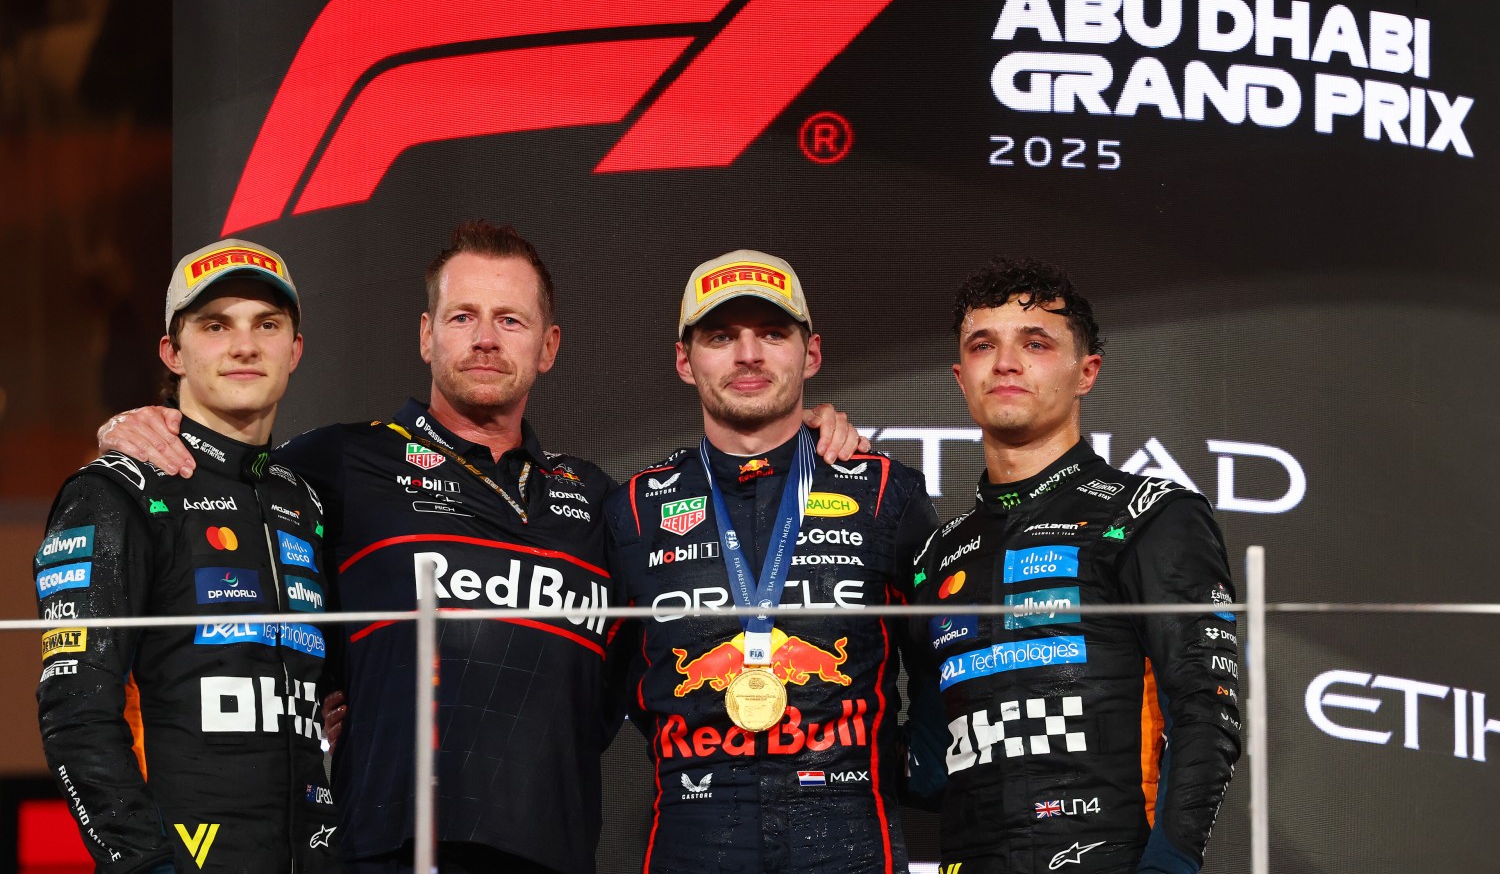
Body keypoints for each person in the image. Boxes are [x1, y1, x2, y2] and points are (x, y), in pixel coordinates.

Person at [98, 222, 865, 874]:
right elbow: (223, 474)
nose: (487, 340)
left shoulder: (601, 498)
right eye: (463, 316)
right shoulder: (335, 461)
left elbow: (639, 663)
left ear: (550, 345)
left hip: (557, 851)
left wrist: (812, 436)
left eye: (512, 320)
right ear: (428, 335)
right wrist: (139, 427)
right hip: (387, 850)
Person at [604, 250, 941, 873]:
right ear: (686, 360)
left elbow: (942, 658)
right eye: (721, 336)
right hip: (694, 825)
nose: (749, 355)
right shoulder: (632, 508)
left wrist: (913, 775)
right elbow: (610, 678)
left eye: (772, 334)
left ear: (810, 353)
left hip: (847, 829)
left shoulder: (886, 492)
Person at [908, 257, 1242, 874]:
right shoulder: (937, 553)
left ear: (1086, 371)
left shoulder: (1151, 512)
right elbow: (928, 769)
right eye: (984, 346)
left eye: (1035, 343)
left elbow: (1205, 714)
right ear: (960, 376)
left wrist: (1169, 868)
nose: (1006, 362)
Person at [36, 240, 339, 873]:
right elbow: (75, 712)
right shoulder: (115, 490)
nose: (244, 345)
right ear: (172, 353)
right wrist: (145, 866)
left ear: (296, 349)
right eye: (215, 325)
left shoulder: (305, 497)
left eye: (267, 324)